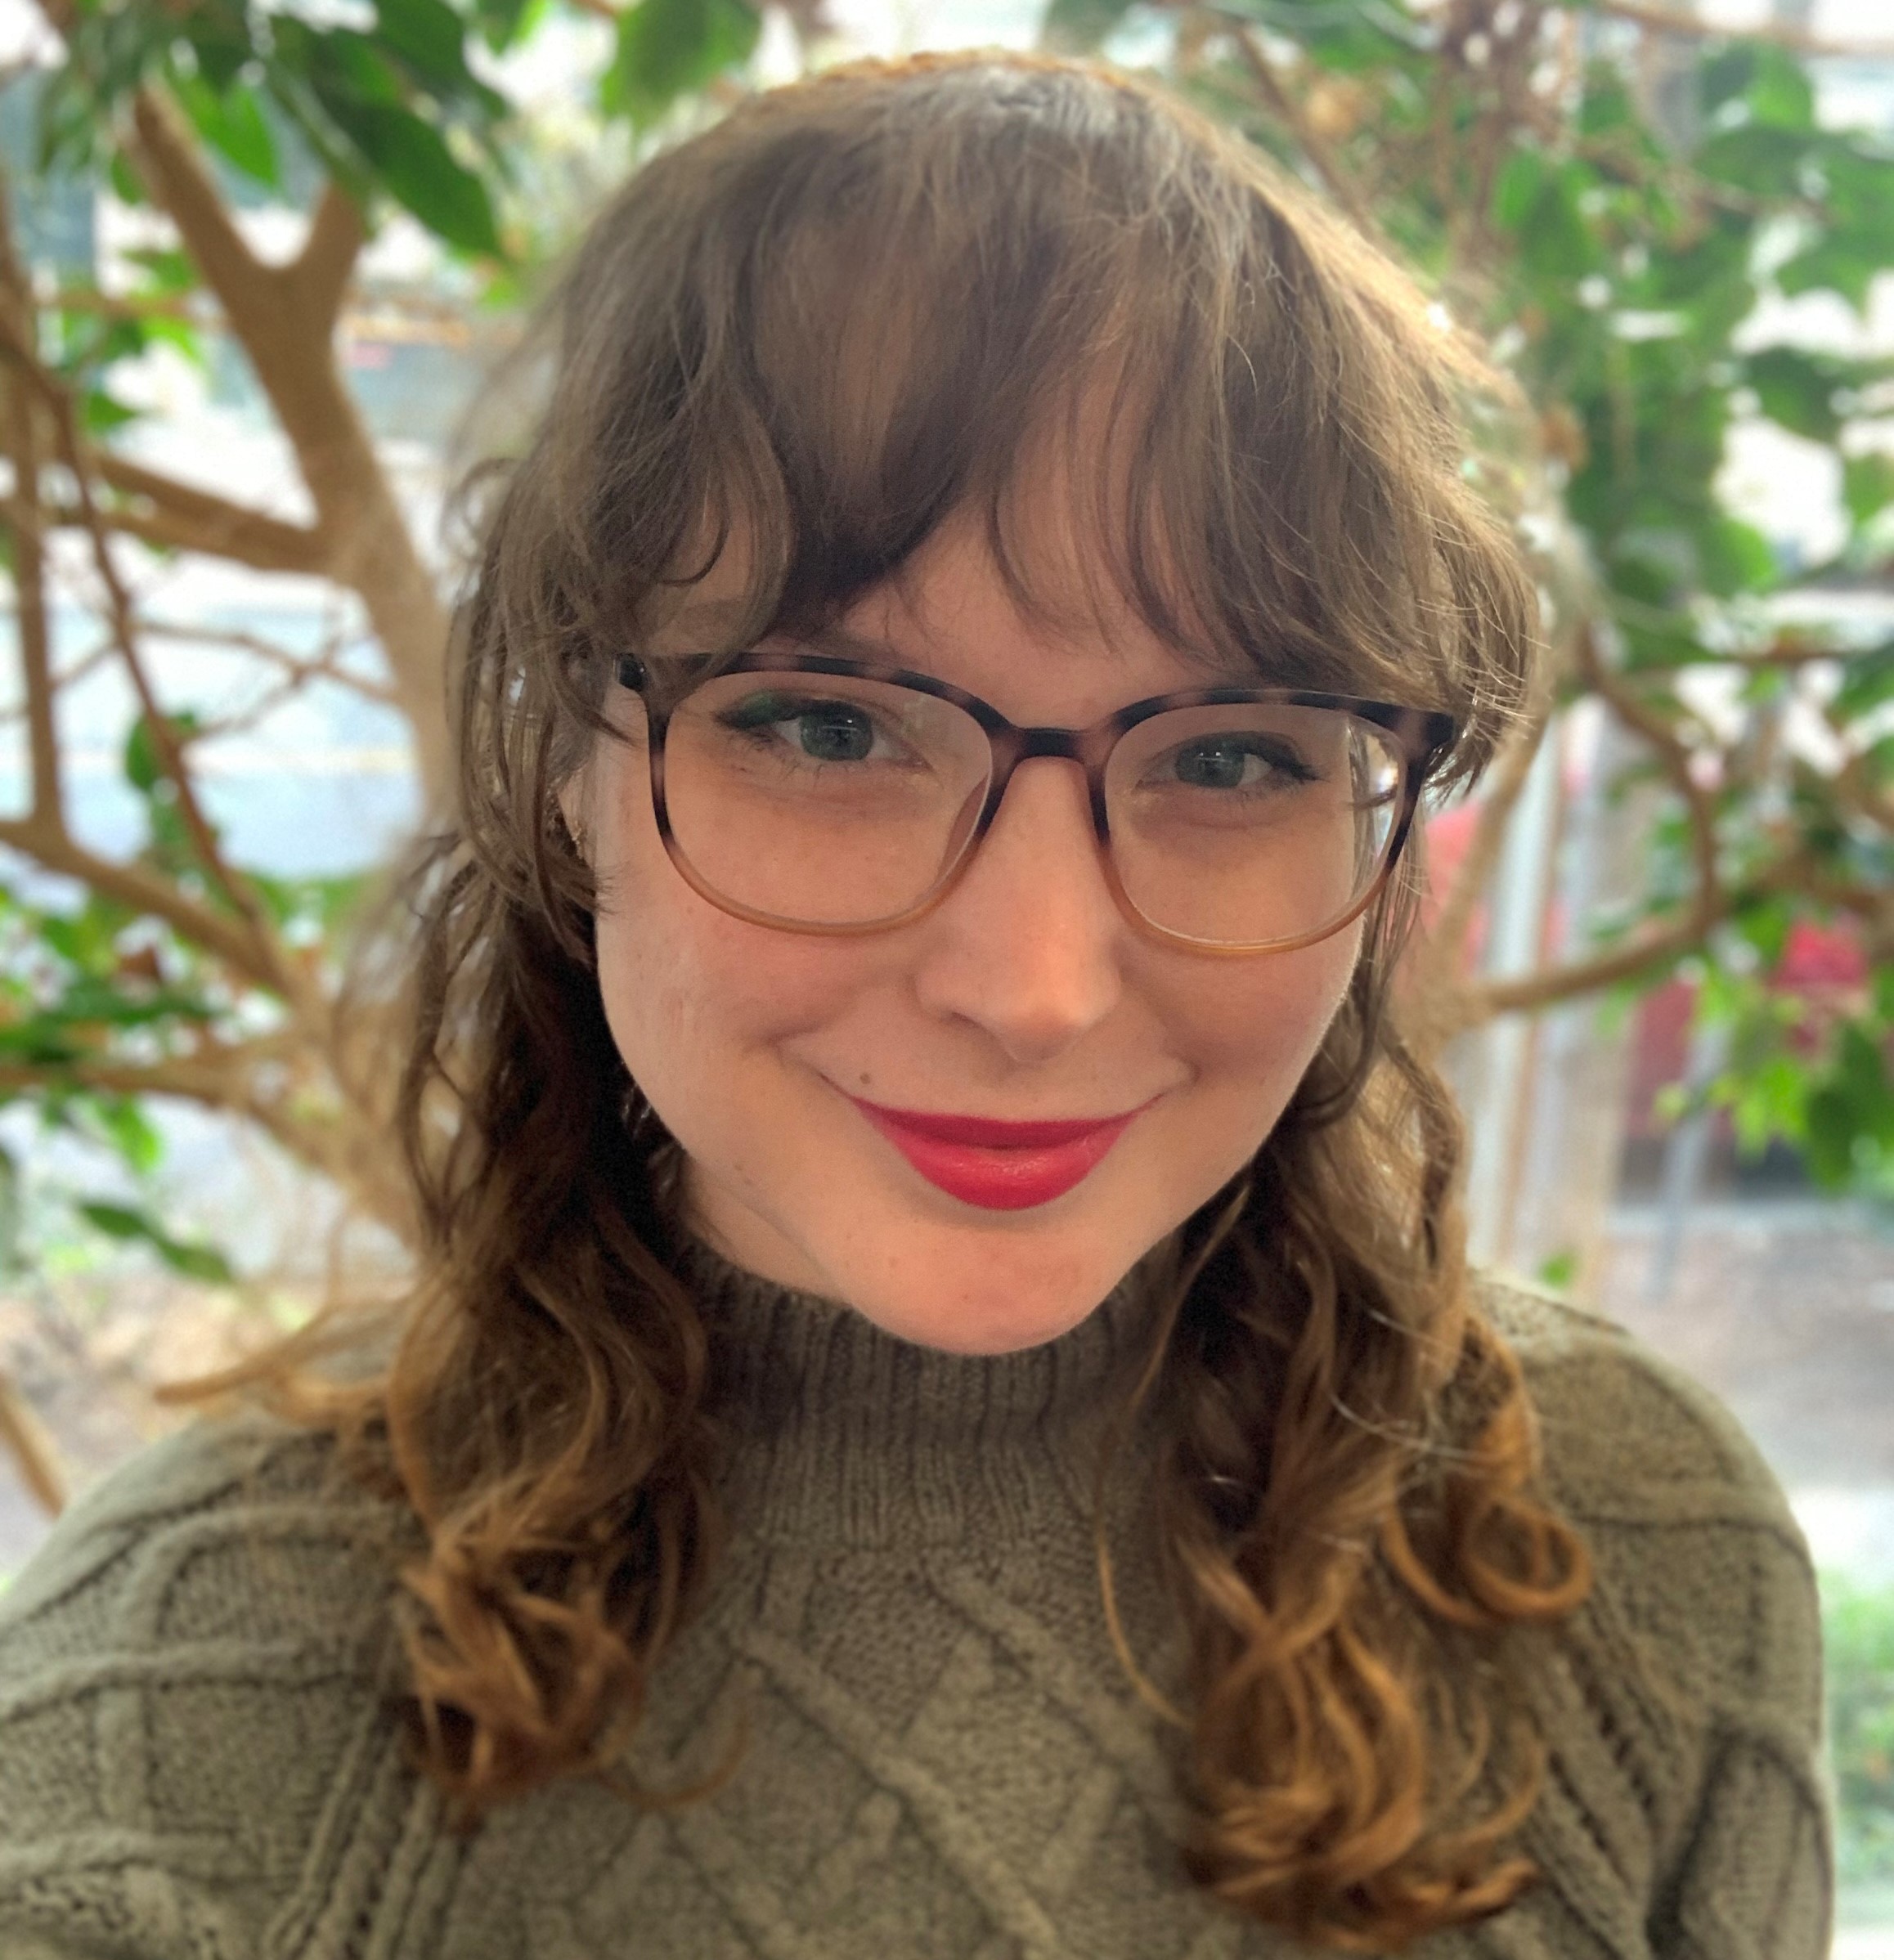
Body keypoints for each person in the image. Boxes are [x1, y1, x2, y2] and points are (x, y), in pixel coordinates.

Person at [0, 51, 1829, 1960]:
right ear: (570, 765)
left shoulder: (1638, 1554)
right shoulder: (184, 1709)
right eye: (825, 724)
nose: (1032, 990)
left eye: (1230, 757)